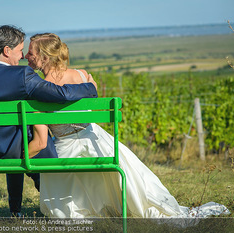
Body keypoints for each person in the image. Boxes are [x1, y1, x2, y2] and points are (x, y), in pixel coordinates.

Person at [24, 33, 230, 221]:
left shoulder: (41, 89)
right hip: (96, 139)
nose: (26, 56)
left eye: (31, 52)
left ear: (44, 57)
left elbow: (41, 138)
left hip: (64, 149)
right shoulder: (82, 75)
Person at [0, 25, 98, 217]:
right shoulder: (21, 76)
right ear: (7, 51)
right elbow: (60, 93)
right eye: (19, 51)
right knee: (39, 141)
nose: (23, 56)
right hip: (18, 150)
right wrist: (90, 87)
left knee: (19, 136)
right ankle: (56, 202)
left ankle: (15, 210)